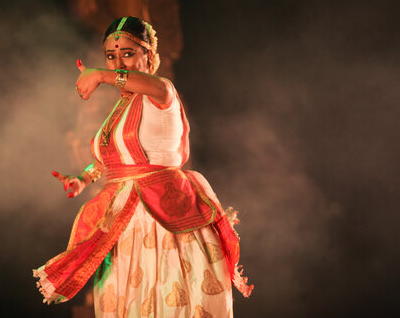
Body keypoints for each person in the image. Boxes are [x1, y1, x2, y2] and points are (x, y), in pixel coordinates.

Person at [33, 16, 253, 317]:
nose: (118, 62)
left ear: (149, 56)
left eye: (128, 53)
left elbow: (145, 92)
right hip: (124, 224)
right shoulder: (120, 106)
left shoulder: (162, 91)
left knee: (166, 300)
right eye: (111, 57)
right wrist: (84, 178)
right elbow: (109, 159)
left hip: (162, 220)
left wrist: (100, 76)